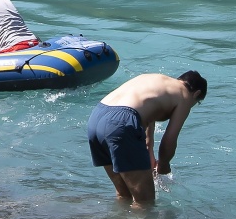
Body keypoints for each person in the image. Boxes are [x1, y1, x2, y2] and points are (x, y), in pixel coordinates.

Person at [88, 71, 206, 206]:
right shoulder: (185, 95)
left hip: (97, 117)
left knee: (124, 194)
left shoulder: (156, 81)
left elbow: (147, 121)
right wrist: (163, 165)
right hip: (121, 122)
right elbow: (169, 140)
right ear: (196, 94)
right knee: (145, 202)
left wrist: (149, 154)